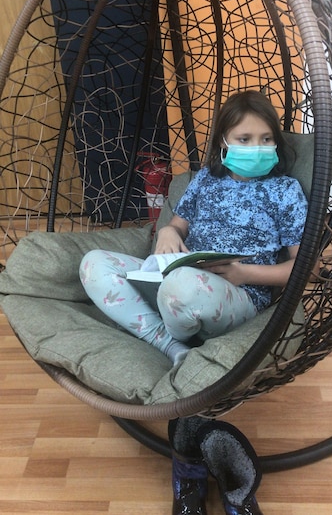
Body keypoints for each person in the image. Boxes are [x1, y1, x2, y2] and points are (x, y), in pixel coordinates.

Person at [79, 90, 308, 365]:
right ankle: (169, 344)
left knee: (181, 287)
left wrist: (244, 274)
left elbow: (309, 267)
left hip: (238, 294)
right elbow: (178, 225)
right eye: (244, 139)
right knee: (93, 264)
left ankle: (158, 320)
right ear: (224, 141)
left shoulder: (285, 191)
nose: (256, 148)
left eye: (266, 139)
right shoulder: (207, 178)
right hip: (178, 279)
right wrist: (168, 231)